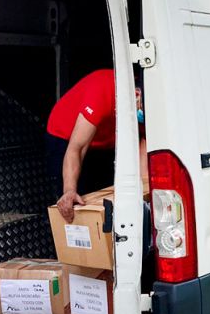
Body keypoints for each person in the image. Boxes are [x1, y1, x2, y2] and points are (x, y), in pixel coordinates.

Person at [45, 69, 148, 224]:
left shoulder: (147, 107)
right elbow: (77, 148)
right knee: (74, 202)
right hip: (67, 136)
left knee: (107, 201)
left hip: (106, 139)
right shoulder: (102, 91)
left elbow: (143, 144)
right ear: (136, 95)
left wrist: (145, 190)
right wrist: (69, 190)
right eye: (141, 110)